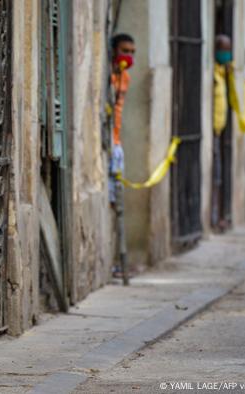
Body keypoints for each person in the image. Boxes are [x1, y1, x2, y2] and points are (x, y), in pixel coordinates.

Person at [109, 33, 135, 279]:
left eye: (133, 52)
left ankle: (117, 259)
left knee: (117, 201)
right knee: (110, 201)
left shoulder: (125, 77)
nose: (129, 56)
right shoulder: (109, 76)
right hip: (108, 143)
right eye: (125, 50)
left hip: (116, 144)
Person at [211, 34, 232, 231]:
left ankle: (217, 217)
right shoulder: (213, 74)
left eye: (229, 50)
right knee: (215, 176)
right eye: (224, 50)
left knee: (218, 176)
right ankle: (214, 218)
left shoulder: (223, 72)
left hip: (219, 130)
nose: (227, 54)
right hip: (211, 131)